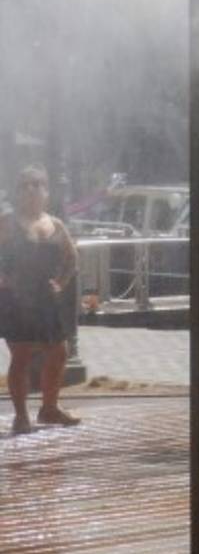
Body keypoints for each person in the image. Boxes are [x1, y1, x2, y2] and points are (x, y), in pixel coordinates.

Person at [0, 165, 80, 435]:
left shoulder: (55, 224)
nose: (32, 190)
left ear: (46, 191)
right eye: (25, 185)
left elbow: (71, 258)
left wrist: (61, 282)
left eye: (37, 185)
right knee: (21, 356)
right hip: (17, 298)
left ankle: (49, 408)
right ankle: (21, 416)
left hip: (47, 298)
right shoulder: (7, 223)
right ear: (18, 192)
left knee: (59, 352)